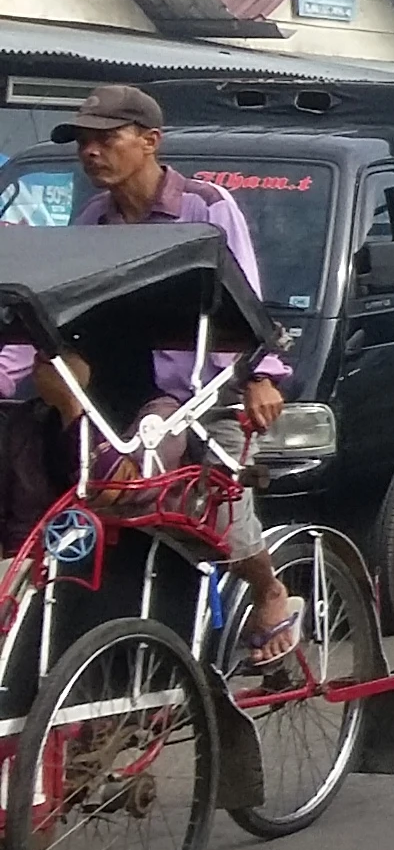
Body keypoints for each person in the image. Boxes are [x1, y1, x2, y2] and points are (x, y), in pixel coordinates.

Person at [32, 87, 299, 662]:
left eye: (106, 139)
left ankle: (268, 586)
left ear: (150, 141)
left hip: (204, 389)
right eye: (84, 142)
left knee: (220, 510)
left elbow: (247, 295)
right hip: (123, 393)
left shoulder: (206, 206)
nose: (91, 153)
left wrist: (263, 374)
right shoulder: (93, 221)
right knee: (87, 496)